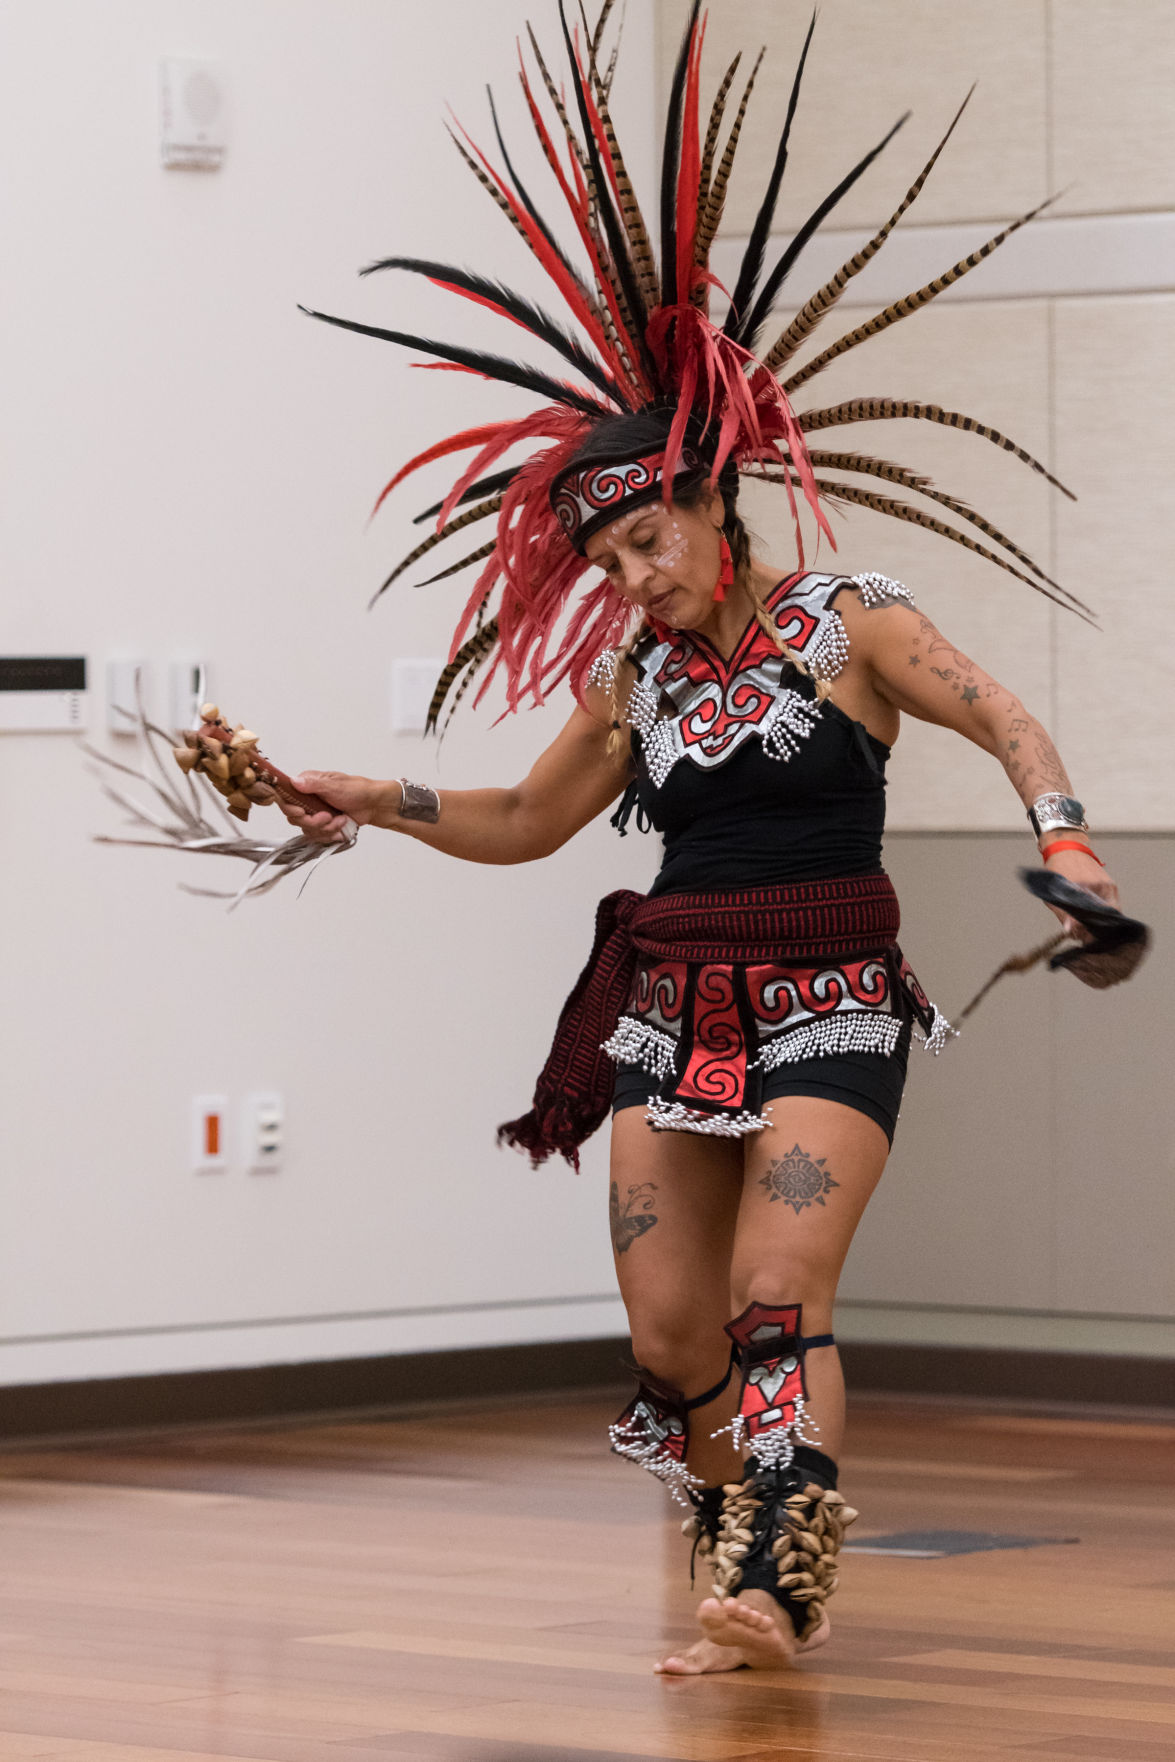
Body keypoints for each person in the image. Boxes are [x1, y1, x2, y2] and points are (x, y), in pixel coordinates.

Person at [280, 3, 1120, 1674]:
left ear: (714, 502)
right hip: (677, 1005)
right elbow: (528, 818)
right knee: (673, 1335)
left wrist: (1072, 847)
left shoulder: (849, 619)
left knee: (774, 1283)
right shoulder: (632, 675)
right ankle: (736, 1521)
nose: (633, 578)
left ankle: (775, 1580)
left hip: (831, 992)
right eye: (606, 564)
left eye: (648, 542)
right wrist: (369, 798)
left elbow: (1015, 721)